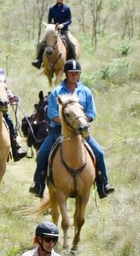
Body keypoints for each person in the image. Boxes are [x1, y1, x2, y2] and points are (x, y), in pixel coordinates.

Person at [30, 60, 114, 199]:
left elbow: (91, 113)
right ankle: (38, 184)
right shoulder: (57, 92)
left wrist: (80, 122)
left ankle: (103, 184)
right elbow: (52, 114)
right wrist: (68, 123)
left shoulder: (86, 92)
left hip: (81, 130)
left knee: (99, 152)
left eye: (77, 73)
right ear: (66, 75)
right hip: (58, 131)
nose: (74, 76)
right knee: (43, 152)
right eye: (71, 74)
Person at [32, 0, 77, 67]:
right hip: (53, 31)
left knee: (72, 44)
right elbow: (49, 21)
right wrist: (53, 27)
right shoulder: (52, 8)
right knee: (41, 43)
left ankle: (73, 61)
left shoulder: (67, 8)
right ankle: (39, 60)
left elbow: (69, 20)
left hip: (64, 31)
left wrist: (63, 25)